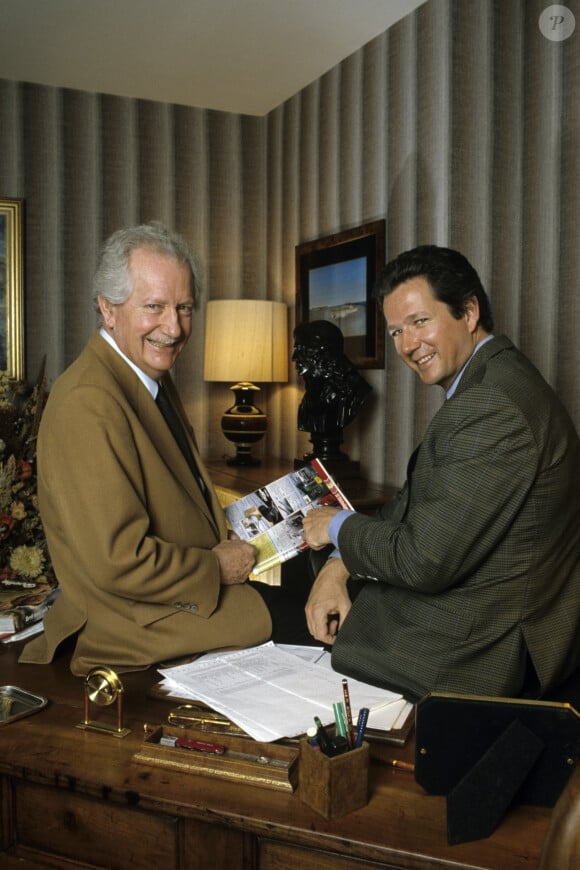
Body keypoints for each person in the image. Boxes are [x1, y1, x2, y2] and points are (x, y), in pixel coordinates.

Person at [19, 223, 309, 677]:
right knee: (319, 624)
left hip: (174, 597)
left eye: (184, 308)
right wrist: (214, 566)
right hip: (136, 622)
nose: (173, 328)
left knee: (319, 601)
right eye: (154, 307)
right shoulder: (87, 402)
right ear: (107, 310)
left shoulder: (146, 374)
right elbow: (118, 561)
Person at [302, 245, 580, 702]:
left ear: (468, 312)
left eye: (419, 322)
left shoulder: (491, 404)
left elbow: (423, 561)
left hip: (486, 650)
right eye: (396, 331)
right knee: (303, 595)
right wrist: (337, 563)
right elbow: (413, 505)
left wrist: (334, 526)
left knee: (284, 617)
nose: (408, 345)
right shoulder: (491, 380)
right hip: (475, 610)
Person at [292, 320, 371, 460]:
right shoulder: (311, 391)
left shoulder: (355, 390)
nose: (294, 358)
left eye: (301, 350)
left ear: (322, 352)